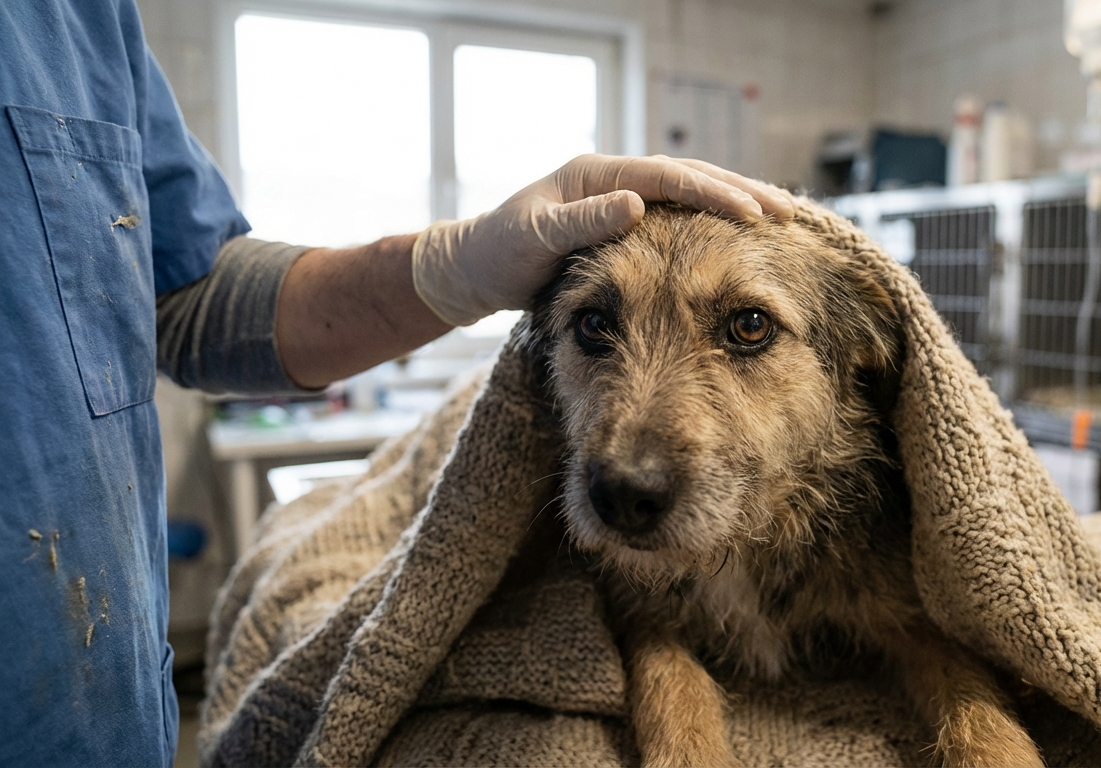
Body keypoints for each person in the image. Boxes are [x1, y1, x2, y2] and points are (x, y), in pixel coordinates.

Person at [0, 2, 794, 765]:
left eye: (748, 329)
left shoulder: (87, 15)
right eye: (593, 327)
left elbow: (185, 294)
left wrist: (454, 265)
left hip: (94, 708)